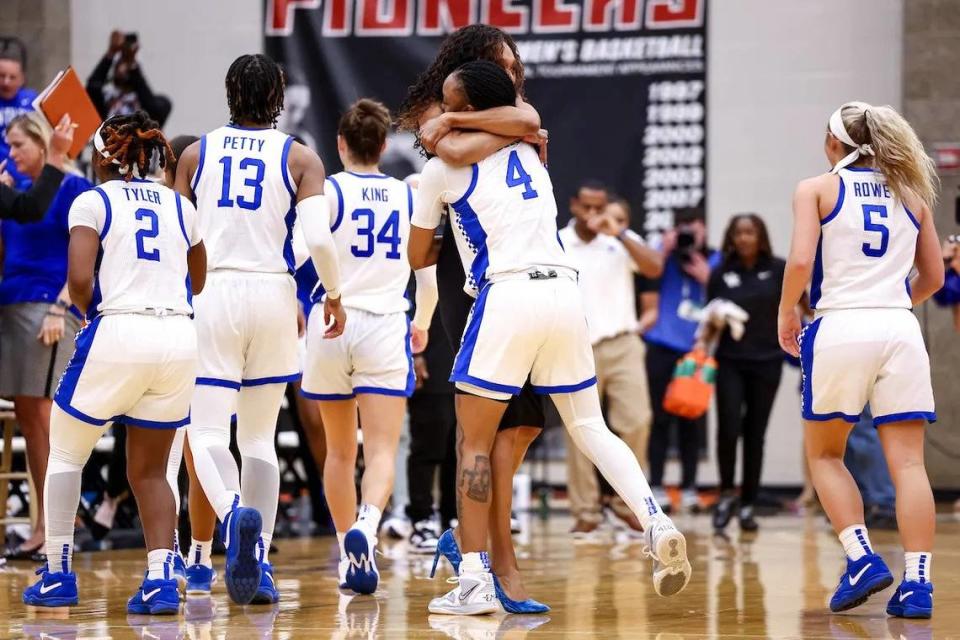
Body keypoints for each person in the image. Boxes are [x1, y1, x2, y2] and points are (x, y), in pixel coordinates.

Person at [409, 60, 691, 616]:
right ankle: (655, 521)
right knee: (590, 425)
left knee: (474, 446)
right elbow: (518, 124)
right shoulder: (533, 149)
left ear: (471, 106)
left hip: (507, 295)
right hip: (564, 292)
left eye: (452, 100)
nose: (446, 109)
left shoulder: (440, 170)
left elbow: (419, 255)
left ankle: (472, 581)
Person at [175, 53, 345, 606]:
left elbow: (181, 238)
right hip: (274, 293)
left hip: (213, 292)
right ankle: (261, 560)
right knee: (257, 438)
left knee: (203, 433)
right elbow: (319, 241)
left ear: (229, 92)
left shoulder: (195, 153)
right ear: (277, 96)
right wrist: (333, 294)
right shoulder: (300, 157)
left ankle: (231, 516)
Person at [22, 111, 206, 612]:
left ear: (104, 156)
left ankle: (58, 572)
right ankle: (161, 579)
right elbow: (199, 278)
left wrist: (91, 313)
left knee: (65, 452)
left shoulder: (93, 199)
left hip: (121, 327)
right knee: (150, 471)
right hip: (179, 335)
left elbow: (80, 280)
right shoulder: (179, 205)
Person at [397, 23, 551, 613]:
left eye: (513, 63)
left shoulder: (486, 115)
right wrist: (489, 126)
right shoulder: (450, 112)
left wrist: (487, 125)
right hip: (475, 283)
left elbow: (524, 122)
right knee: (485, 435)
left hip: (518, 276)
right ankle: (490, 566)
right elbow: (464, 149)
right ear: (473, 67)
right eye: (502, 61)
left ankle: (477, 543)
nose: (512, 70)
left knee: (520, 427)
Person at [778, 101, 943, 618]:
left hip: (840, 325)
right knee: (911, 463)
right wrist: (889, 304)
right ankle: (918, 586)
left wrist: (786, 313)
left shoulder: (817, 188)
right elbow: (934, 279)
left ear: (834, 144)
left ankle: (861, 556)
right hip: (900, 327)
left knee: (825, 455)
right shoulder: (913, 194)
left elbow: (802, 260)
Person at [299, 98, 438, 594]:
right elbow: (429, 281)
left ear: (340, 145)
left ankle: (345, 551)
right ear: (383, 145)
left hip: (331, 320)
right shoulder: (408, 196)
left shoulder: (327, 192)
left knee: (338, 452)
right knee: (381, 450)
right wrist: (420, 323)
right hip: (384, 324)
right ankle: (368, 523)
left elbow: (301, 255)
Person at [0, 113, 92, 562]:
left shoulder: (71, 189)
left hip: (47, 312)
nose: (11, 154)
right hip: (11, 307)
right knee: (30, 421)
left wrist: (63, 306)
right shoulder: (15, 192)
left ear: (42, 144)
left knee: (44, 420)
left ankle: (53, 526)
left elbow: (87, 256)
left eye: (18, 145)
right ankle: (47, 524)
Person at [559, 185, 662, 539]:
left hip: (622, 342)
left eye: (598, 206)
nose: (592, 213)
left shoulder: (620, 237)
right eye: (585, 206)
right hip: (575, 345)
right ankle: (586, 511)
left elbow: (655, 266)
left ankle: (628, 505)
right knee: (580, 431)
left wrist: (618, 232)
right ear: (573, 204)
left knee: (637, 420)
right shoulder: (557, 241)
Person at [704, 214, 785, 532]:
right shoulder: (720, 272)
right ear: (731, 237)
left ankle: (748, 504)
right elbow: (708, 318)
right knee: (728, 428)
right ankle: (726, 494)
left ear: (760, 236)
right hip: (730, 361)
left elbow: (799, 306)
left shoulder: (779, 269)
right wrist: (713, 323)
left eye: (750, 232)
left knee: (756, 434)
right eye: (738, 233)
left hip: (768, 361)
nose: (744, 238)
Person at [644, 208, 719, 512]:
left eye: (695, 228)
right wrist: (665, 248)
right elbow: (647, 275)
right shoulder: (663, 259)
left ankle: (689, 487)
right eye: (683, 228)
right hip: (662, 346)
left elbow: (725, 299)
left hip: (696, 351)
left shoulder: (714, 260)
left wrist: (707, 278)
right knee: (659, 420)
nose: (690, 234)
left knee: (692, 419)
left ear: (705, 231)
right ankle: (657, 484)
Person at [86, 31, 173, 128]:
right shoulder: (107, 98)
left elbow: (155, 111)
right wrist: (111, 54)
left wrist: (132, 66)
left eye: (127, 63)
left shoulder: (147, 102)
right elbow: (92, 87)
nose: (123, 68)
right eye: (120, 62)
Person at [0, 38, 36, 189]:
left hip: (26, 179)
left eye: (12, 77)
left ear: (22, 79)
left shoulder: (33, 101)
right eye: (1, 76)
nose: (6, 82)